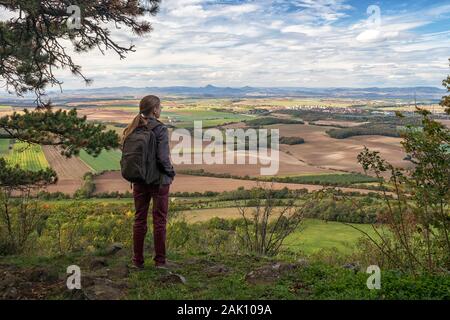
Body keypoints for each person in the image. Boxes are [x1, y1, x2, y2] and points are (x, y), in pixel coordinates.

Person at [121, 95, 176, 269]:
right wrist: (170, 172)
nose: (161, 110)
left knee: (139, 219)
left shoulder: (133, 128)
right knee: (159, 220)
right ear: (154, 110)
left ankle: (137, 261)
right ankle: (160, 262)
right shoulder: (160, 129)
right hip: (159, 181)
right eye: (160, 107)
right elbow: (162, 157)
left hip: (139, 180)